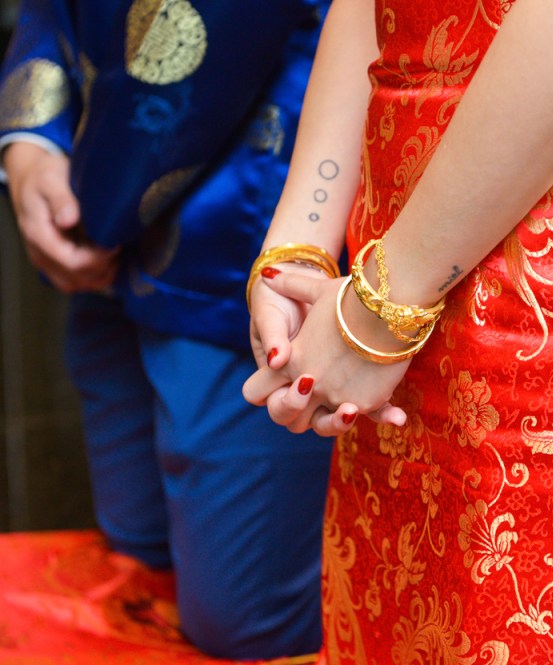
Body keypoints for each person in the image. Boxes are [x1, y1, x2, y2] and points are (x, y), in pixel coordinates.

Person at [244, 0, 553, 663]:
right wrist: (301, 247)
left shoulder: (384, 303)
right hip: (389, 277)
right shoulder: (374, 301)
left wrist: (381, 305)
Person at [0, 0, 334, 658]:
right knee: (136, 547)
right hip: (104, 193)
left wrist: (96, 195)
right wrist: (31, 137)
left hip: (243, 219)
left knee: (246, 619)